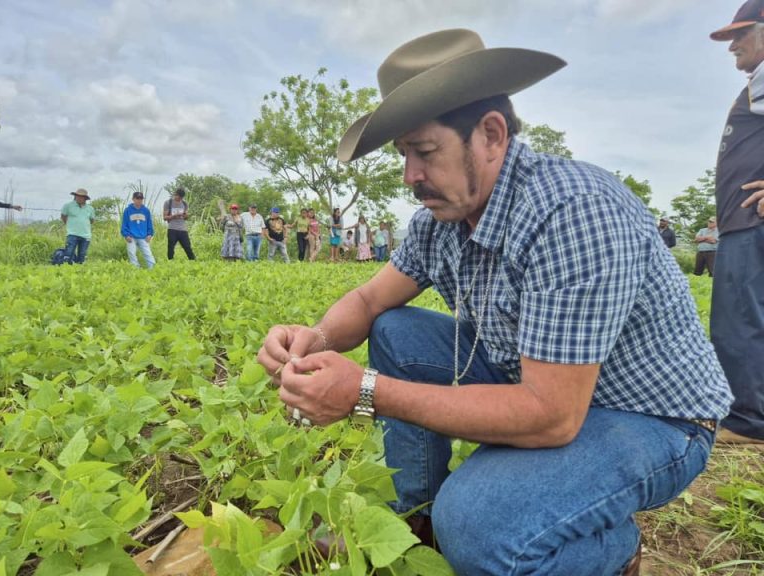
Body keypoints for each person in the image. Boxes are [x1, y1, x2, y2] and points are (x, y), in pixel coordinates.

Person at [257, 29, 732, 575]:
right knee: (394, 327)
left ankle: (610, 554)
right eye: (404, 154)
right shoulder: (442, 217)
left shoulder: (572, 211)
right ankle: (414, 517)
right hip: (539, 381)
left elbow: (551, 416)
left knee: (480, 521)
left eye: (425, 151)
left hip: (649, 417)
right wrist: (313, 338)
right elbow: (368, 299)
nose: (411, 175)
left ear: (490, 134)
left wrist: (364, 391)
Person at [710, 0, 764, 444]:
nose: (732, 47)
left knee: (739, 318)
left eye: (740, 35)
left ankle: (745, 421)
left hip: (750, 223)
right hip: (743, 219)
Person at [121, 191, 155, 269]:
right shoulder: (127, 210)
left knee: (148, 253)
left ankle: (153, 268)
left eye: (141, 199)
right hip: (131, 236)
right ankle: (136, 269)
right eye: (137, 198)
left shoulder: (146, 210)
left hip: (143, 236)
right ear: (133, 199)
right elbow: (124, 224)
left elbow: (149, 223)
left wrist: (150, 234)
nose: (139, 200)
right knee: (131, 253)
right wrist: (126, 235)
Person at [60, 188, 95, 264]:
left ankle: (80, 271)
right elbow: (63, 216)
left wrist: (83, 224)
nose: (79, 198)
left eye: (81, 197)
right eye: (77, 196)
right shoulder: (68, 206)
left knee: (82, 255)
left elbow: (92, 220)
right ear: (75, 196)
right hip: (72, 234)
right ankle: (66, 269)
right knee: (68, 254)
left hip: (85, 235)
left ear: (85, 198)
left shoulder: (90, 208)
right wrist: (70, 225)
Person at [163, 188, 196, 260]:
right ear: (175, 194)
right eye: (178, 197)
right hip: (172, 228)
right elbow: (165, 217)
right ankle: (170, 262)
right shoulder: (168, 203)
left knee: (187, 246)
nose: (180, 199)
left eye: (181, 197)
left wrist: (185, 215)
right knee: (171, 247)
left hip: (182, 229)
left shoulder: (184, 203)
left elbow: (186, 218)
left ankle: (193, 261)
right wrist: (173, 216)